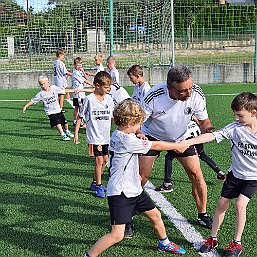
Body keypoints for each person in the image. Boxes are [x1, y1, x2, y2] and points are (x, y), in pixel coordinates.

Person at [83, 99, 187, 257]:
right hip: (121, 192)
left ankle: (164, 243)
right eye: (138, 123)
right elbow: (156, 146)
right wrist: (176, 145)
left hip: (134, 189)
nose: (140, 127)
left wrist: (139, 136)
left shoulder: (120, 134)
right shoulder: (126, 140)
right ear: (130, 122)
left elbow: (134, 142)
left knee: (156, 215)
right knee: (117, 234)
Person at [138, 65, 214, 231]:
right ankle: (127, 212)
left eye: (190, 88)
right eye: (183, 91)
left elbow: (204, 120)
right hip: (153, 136)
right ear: (169, 88)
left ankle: (202, 214)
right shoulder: (153, 96)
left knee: (196, 173)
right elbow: (138, 124)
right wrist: (139, 135)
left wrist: (207, 128)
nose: (188, 93)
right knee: (142, 175)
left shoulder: (196, 93)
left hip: (181, 138)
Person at [182, 92, 257, 257]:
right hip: (235, 175)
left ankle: (236, 243)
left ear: (253, 113)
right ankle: (213, 238)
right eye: (235, 114)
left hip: (253, 178)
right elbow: (212, 136)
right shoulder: (235, 128)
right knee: (222, 204)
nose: (236, 118)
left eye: (240, 115)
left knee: (240, 205)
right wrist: (188, 142)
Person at [155, 116, 226, 193]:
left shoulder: (176, 110)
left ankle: (167, 184)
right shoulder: (187, 107)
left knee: (169, 156)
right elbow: (194, 117)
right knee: (202, 154)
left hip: (186, 135)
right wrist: (199, 125)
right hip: (195, 130)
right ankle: (220, 173)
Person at [73, 71, 114, 199]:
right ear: (97, 85)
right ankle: (99, 186)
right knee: (99, 160)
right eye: (106, 88)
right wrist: (76, 135)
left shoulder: (109, 99)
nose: (108, 90)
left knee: (105, 161)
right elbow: (80, 117)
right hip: (94, 137)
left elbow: (112, 117)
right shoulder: (89, 100)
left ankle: (95, 182)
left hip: (105, 136)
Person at [22, 74, 77, 141]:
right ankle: (63, 134)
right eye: (41, 85)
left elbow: (63, 91)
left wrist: (74, 90)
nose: (43, 86)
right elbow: (33, 100)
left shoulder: (54, 88)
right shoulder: (40, 94)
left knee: (65, 122)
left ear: (48, 82)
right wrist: (26, 106)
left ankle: (67, 131)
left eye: (44, 84)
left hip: (58, 109)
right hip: (50, 112)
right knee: (57, 123)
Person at [72, 57, 94, 127]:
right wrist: (92, 84)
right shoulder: (75, 72)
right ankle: (78, 121)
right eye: (78, 65)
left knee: (78, 107)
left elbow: (85, 78)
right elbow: (84, 80)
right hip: (78, 92)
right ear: (74, 65)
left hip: (81, 91)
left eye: (80, 65)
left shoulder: (79, 71)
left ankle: (76, 121)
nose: (79, 67)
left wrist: (83, 71)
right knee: (79, 107)